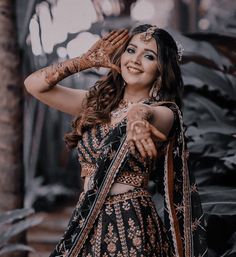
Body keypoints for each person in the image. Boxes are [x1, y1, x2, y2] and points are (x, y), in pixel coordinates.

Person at [24, 24, 207, 257]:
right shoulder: (97, 107)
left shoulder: (166, 113)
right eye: (131, 50)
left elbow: (146, 112)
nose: (136, 60)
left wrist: (136, 117)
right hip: (88, 219)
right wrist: (81, 62)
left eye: (149, 56)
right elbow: (34, 85)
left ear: (161, 70)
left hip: (130, 225)